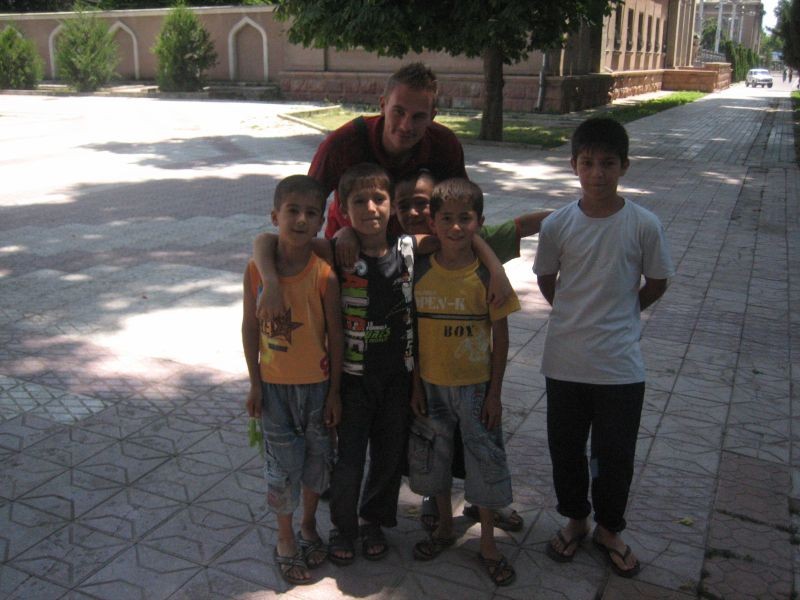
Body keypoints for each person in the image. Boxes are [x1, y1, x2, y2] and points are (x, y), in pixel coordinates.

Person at [533, 118, 674, 578]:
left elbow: (657, 281)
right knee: (566, 448)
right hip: (565, 361)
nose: (597, 173)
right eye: (588, 162)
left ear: (624, 166)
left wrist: (624, 312)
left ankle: (609, 529)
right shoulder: (557, 225)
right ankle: (576, 519)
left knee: (615, 454)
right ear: (573, 165)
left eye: (608, 163)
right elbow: (546, 278)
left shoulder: (643, 224)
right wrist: (573, 313)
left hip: (620, 366)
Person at [394, 169, 551, 533]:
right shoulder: (405, 255)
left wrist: (580, 212)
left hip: (474, 381)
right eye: (404, 206)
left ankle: (486, 510)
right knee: (434, 445)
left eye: (421, 203)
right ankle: (439, 510)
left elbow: (519, 226)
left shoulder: (472, 244)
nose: (415, 213)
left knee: (481, 445)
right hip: (430, 377)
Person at [408, 178, 520, 587]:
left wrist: (495, 394)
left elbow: (501, 338)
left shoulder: (488, 276)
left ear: (480, 222)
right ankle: (443, 526)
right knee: (434, 458)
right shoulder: (420, 272)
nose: (456, 227)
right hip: (430, 386)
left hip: (476, 388)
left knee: (484, 461)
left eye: (465, 219)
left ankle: (488, 542)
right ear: (433, 224)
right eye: (447, 219)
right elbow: (413, 334)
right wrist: (415, 385)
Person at [241, 175, 343, 586]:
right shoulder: (256, 271)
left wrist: (335, 392)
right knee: (281, 467)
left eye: (311, 213)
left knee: (318, 462)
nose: (301, 219)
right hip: (274, 390)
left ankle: (308, 525)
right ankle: (285, 538)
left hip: (317, 389)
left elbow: (336, 335)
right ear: (275, 216)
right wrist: (254, 382)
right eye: (292, 210)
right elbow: (250, 327)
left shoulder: (324, 274)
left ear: (320, 222)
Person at [308, 62, 467, 239]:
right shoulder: (343, 143)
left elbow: (463, 206)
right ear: (383, 105)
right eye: (399, 112)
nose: (406, 126)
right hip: (349, 245)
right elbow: (306, 203)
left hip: (419, 245)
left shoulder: (444, 145)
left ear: (432, 116)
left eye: (418, 116)